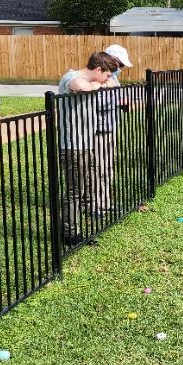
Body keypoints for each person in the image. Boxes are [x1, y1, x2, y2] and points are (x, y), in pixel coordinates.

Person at [57, 51, 120, 246]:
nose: (109, 78)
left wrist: (100, 84)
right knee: (74, 191)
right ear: (99, 69)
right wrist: (96, 85)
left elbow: (112, 85)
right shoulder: (72, 77)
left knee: (82, 187)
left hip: (85, 144)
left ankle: (75, 227)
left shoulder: (96, 81)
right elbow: (80, 86)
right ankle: (69, 235)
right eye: (107, 74)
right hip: (72, 145)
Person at [91, 44, 134, 215]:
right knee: (97, 168)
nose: (120, 69)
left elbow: (114, 97)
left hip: (109, 127)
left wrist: (122, 101)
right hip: (98, 129)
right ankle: (95, 205)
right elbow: (96, 103)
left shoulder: (112, 78)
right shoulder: (97, 78)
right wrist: (117, 102)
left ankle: (105, 201)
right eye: (120, 64)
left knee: (107, 167)